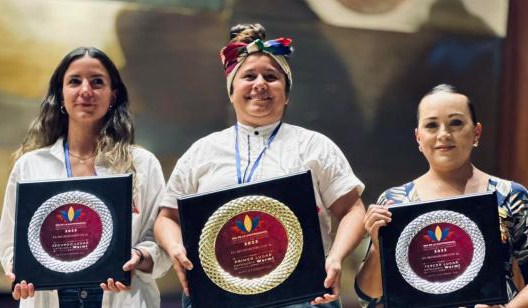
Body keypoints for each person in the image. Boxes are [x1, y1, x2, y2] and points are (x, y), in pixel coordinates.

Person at [153, 23, 366, 307]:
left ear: (287, 94)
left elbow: (352, 208)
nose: (260, 84)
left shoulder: (314, 146)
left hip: (303, 296)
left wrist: (336, 257)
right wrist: (176, 248)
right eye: (249, 76)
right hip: (218, 296)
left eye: (271, 76)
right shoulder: (201, 153)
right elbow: (167, 218)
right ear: (231, 92)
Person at [0, 47, 170, 308]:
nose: (85, 90)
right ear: (60, 94)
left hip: (120, 295)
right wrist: (19, 270)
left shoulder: (142, 164)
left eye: (97, 82)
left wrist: (139, 257)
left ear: (113, 95)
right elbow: (10, 242)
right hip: (50, 297)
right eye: (74, 81)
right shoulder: (30, 166)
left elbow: (158, 241)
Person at [355, 84, 528, 308]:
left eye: (456, 123)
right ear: (418, 137)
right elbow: (369, 298)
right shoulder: (394, 202)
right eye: (431, 125)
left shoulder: (510, 195)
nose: (444, 134)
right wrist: (379, 250)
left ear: (476, 132)